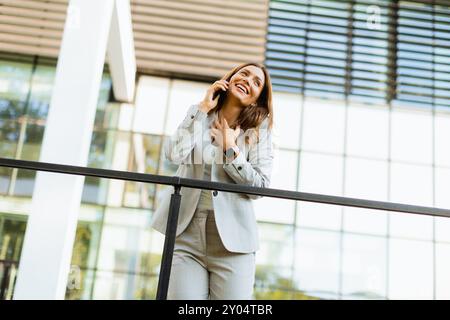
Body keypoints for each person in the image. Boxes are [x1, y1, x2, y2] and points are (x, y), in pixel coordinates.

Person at [152, 62, 274, 300]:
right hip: (187, 234)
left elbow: (259, 187)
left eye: (256, 82)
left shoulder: (260, 130)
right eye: (244, 74)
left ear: (257, 99)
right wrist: (202, 107)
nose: (248, 80)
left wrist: (230, 149)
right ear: (230, 79)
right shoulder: (200, 115)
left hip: (233, 243)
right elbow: (173, 154)